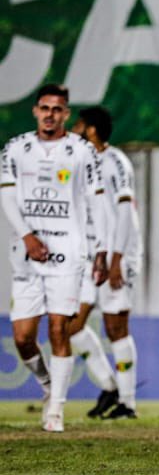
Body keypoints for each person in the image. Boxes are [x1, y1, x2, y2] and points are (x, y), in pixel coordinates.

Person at [1, 83, 108, 432]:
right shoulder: (16, 149)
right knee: (22, 337)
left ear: (66, 114)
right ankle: (48, 384)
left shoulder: (81, 150)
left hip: (68, 251)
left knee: (59, 328)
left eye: (57, 109)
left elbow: (97, 201)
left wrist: (102, 249)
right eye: (44, 108)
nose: (50, 115)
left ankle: (56, 412)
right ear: (35, 111)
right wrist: (28, 236)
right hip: (26, 254)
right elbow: (7, 197)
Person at [65, 106, 143, 419]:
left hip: (116, 254)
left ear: (93, 130)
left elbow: (126, 213)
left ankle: (128, 403)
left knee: (116, 327)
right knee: (70, 326)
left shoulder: (116, 162)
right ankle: (109, 387)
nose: (74, 127)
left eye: (79, 123)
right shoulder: (82, 162)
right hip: (89, 255)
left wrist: (117, 260)